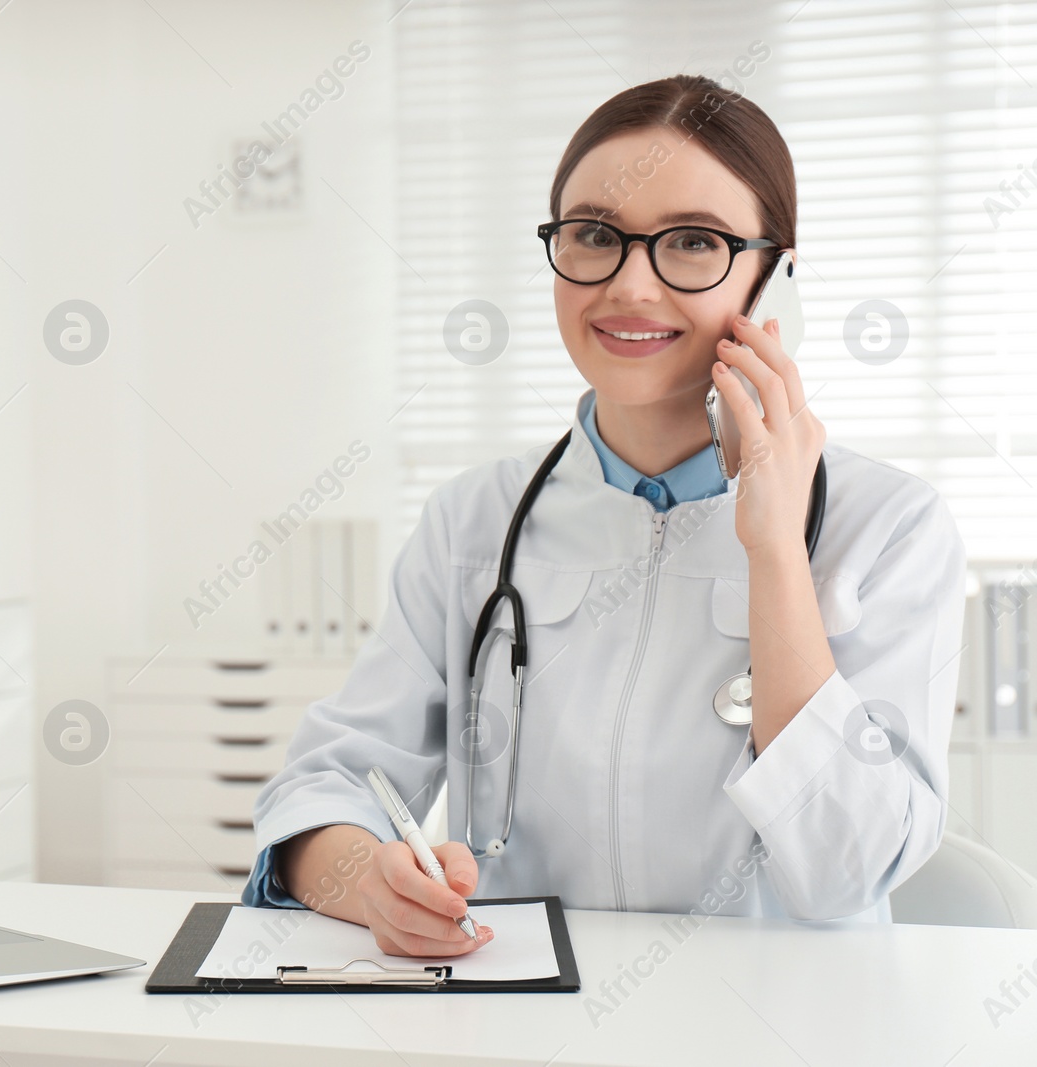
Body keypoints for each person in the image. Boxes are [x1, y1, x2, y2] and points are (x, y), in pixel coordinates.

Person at [240, 74, 967, 958]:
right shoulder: (474, 520)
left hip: (790, 1030)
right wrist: (369, 883)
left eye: (693, 242)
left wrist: (774, 547)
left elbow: (846, 870)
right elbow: (323, 787)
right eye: (593, 235)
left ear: (779, 281)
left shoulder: (888, 527)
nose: (629, 285)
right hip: (528, 1023)